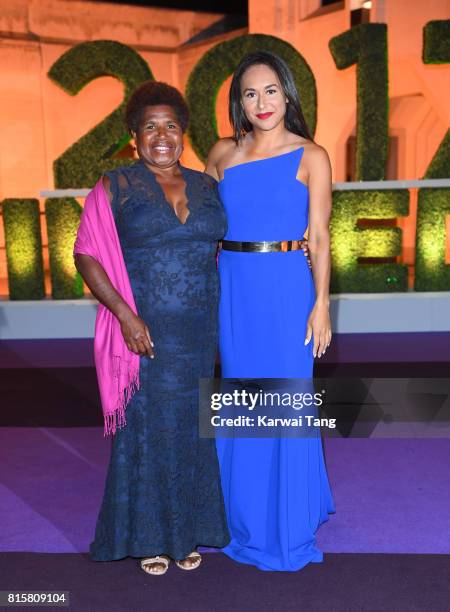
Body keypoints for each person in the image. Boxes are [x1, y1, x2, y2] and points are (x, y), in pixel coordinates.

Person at [74, 81, 229, 576]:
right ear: (134, 136)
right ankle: (149, 539)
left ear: (184, 132)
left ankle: (187, 532)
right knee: (149, 432)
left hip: (199, 336)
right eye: (150, 127)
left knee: (190, 432)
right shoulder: (116, 185)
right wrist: (125, 314)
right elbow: (86, 254)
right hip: (144, 334)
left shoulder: (207, 185)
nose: (162, 135)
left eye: (171, 126)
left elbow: (231, 249)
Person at [205, 51, 336, 571]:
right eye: (250, 93)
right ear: (238, 101)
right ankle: (242, 513)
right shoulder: (221, 155)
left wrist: (322, 304)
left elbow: (321, 236)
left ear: (288, 95)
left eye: (271, 91)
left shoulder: (312, 156)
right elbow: (198, 223)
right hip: (234, 289)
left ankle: (285, 520)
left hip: (286, 288)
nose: (261, 103)